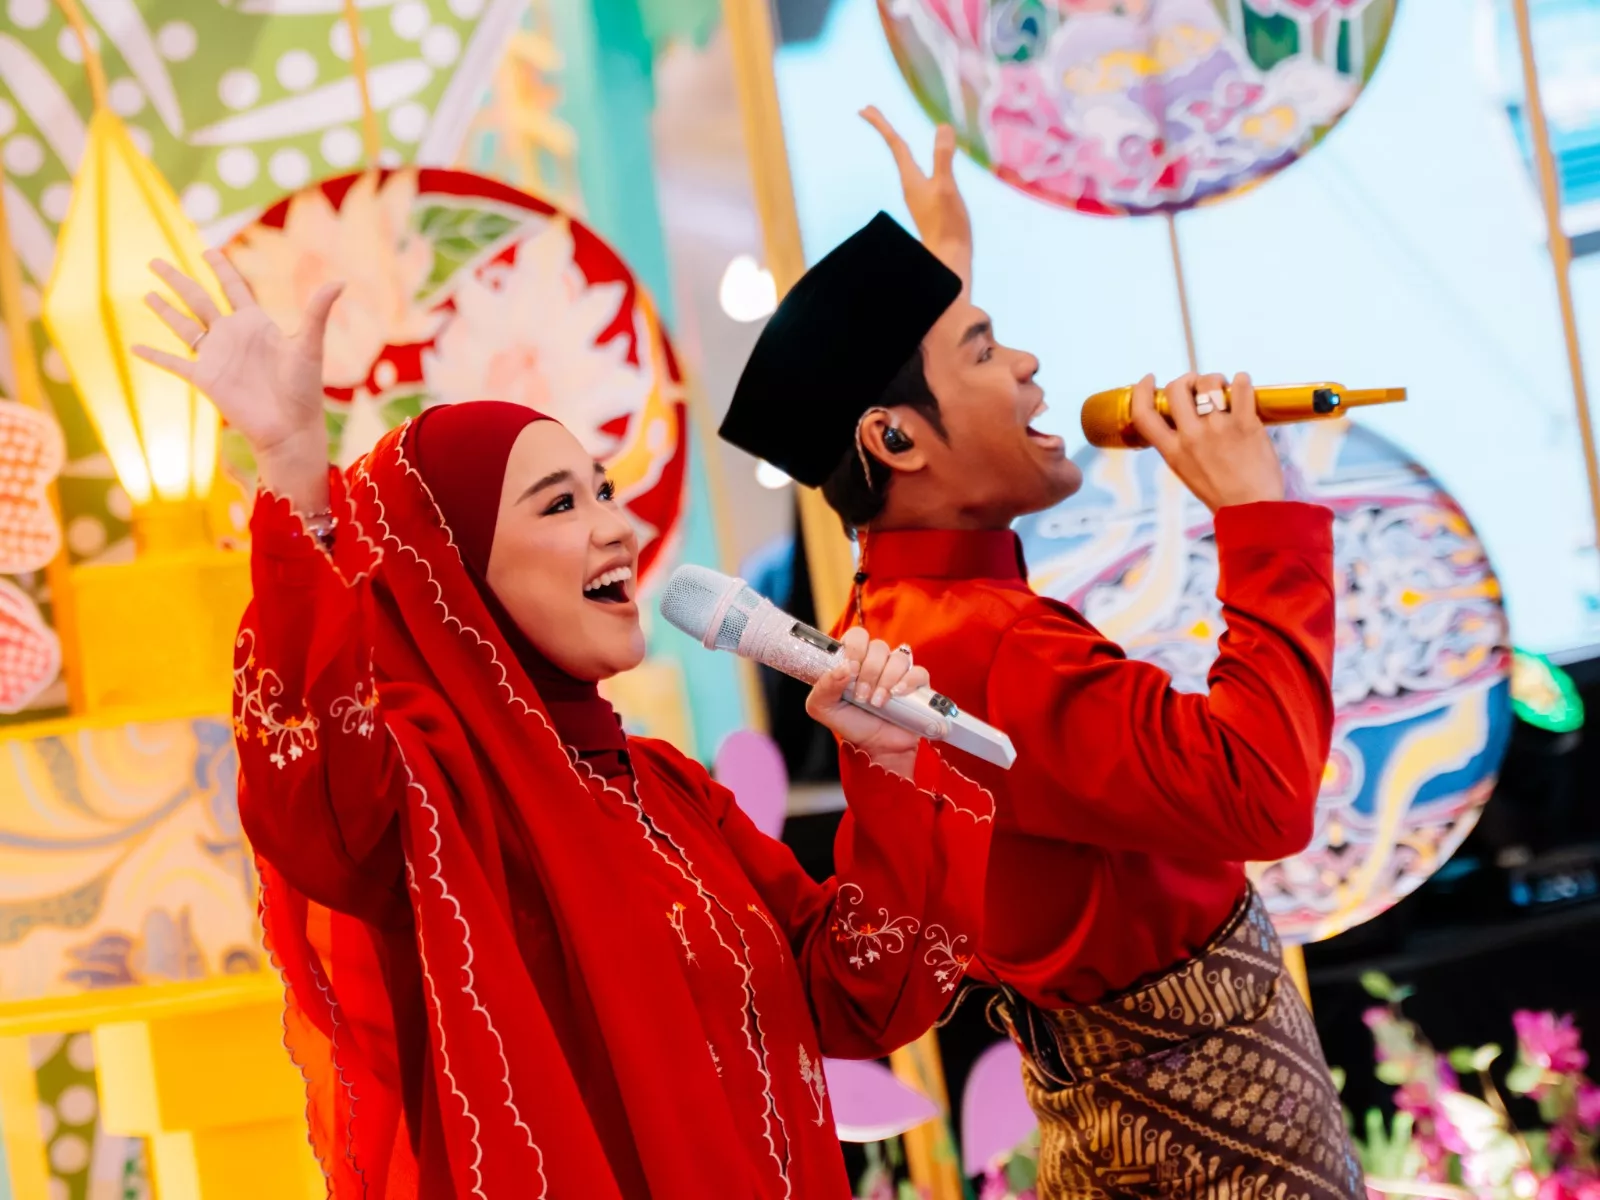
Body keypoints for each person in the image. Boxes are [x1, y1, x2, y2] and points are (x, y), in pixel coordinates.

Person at [132, 251, 996, 1199]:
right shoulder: (426, 796)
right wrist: (296, 471)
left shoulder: (669, 792)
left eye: (603, 491)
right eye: (559, 503)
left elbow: (856, 997)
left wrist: (893, 770)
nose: (616, 529)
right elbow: (312, 805)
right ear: (453, 570)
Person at [719, 109, 1362, 1200]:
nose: (1024, 363)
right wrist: (1257, 518)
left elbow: (901, 429)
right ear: (894, 438)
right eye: (982, 347)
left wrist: (940, 268)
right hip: (1195, 1138)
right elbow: (1259, 792)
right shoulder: (977, 642)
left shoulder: (914, 605)